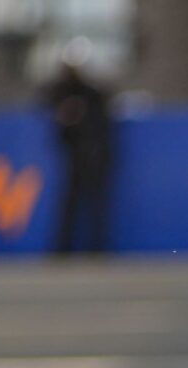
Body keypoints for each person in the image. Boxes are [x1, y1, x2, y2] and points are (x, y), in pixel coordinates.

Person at [42, 41, 115, 255]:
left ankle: (97, 249)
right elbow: (48, 102)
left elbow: (102, 126)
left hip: (94, 155)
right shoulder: (62, 92)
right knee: (69, 205)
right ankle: (63, 248)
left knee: (96, 205)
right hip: (74, 157)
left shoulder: (94, 96)